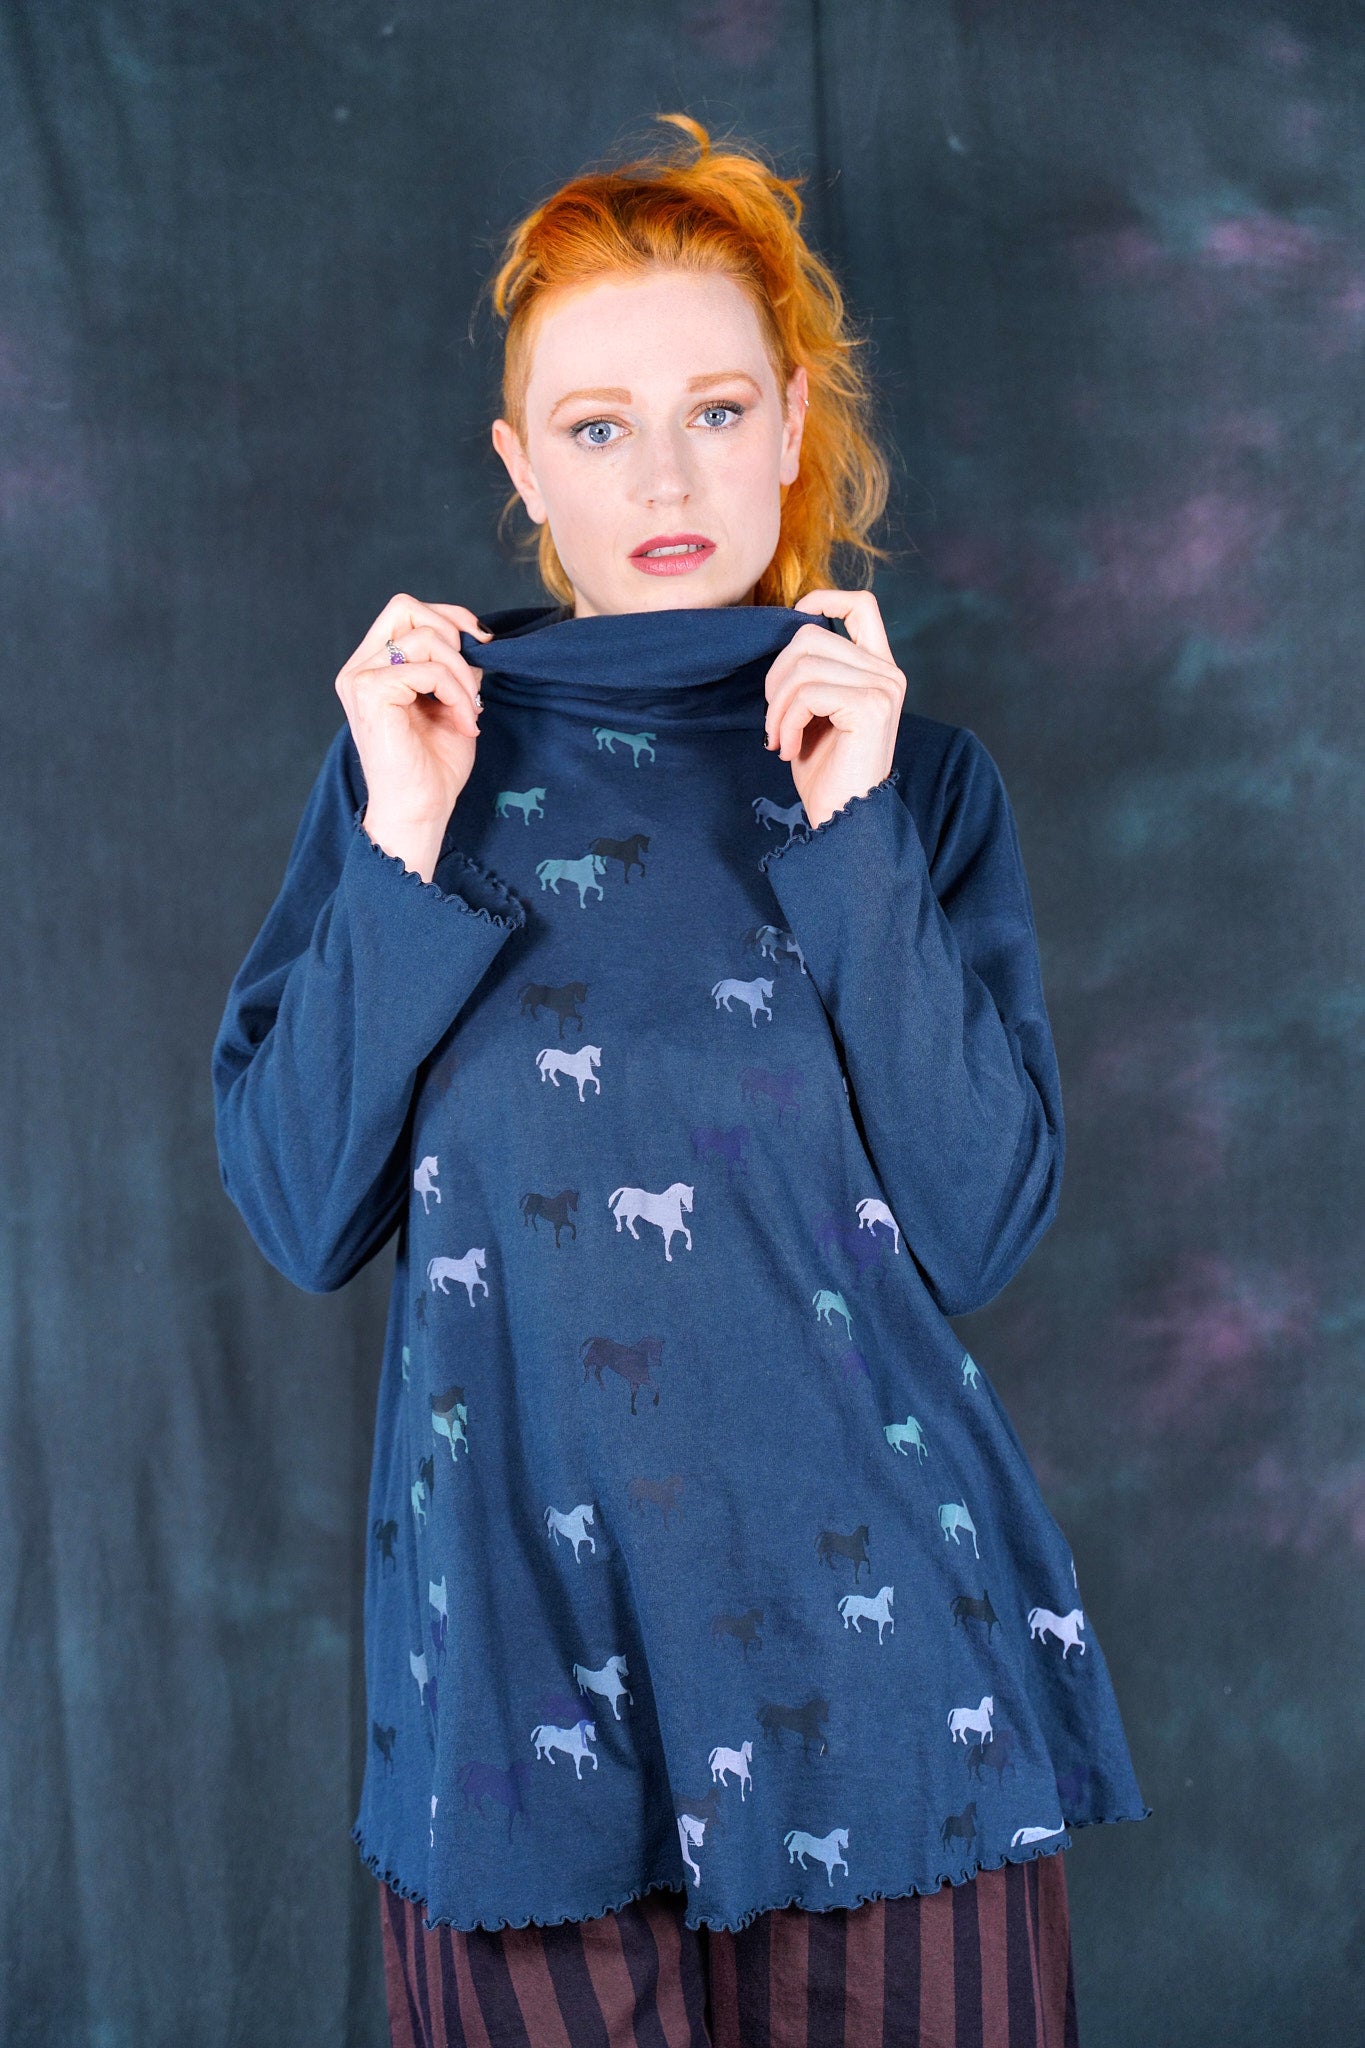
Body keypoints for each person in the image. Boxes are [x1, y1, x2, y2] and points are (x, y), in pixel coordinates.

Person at [212, 114, 1149, 2048]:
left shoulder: (915, 781)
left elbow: (979, 1223)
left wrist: (855, 835)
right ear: (519, 466)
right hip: (513, 1702)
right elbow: (303, 1211)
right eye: (597, 426)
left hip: (893, 1708)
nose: (662, 477)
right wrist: (403, 842)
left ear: (792, 421)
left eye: (716, 411)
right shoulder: (415, 765)